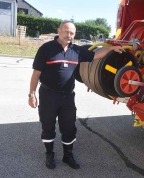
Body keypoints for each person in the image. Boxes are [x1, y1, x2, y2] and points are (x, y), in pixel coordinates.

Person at [28, 20, 125, 170]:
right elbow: (36, 73)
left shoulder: (77, 51)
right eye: (66, 31)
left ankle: (68, 155)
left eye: (72, 33)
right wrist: (31, 94)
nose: (69, 35)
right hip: (48, 95)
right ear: (59, 30)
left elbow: (95, 55)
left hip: (67, 96)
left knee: (69, 127)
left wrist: (112, 48)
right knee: (48, 126)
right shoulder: (46, 49)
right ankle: (49, 154)